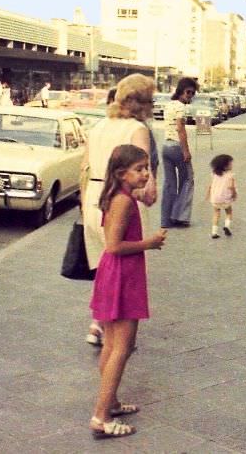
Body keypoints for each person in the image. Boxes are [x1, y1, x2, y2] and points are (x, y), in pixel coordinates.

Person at [88, 144, 166, 439]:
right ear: (122, 173)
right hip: (121, 274)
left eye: (147, 168)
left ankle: (111, 402)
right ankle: (101, 417)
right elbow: (114, 246)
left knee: (112, 345)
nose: (146, 173)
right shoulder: (122, 201)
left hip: (119, 274)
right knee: (122, 347)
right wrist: (150, 243)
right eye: (140, 169)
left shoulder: (121, 196)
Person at [81, 75, 158, 347]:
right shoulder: (137, 129)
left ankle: (97, 323)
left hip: (94, 196)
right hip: (122, 197)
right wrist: (148, 196)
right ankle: (115, 330)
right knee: (123, 264)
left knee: (105, 265)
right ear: (143, 102)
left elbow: (85, 167)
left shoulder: (99, 125)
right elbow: (141, 174)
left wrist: (84, 204)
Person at [160, 77, 197, 228]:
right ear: (181, 91)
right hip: (177, 147)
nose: (190, 96)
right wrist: (186, 151)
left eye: (193, 93)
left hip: (165, 146)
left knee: (169, 184)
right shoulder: (180, 107)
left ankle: (165, 220)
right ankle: (180, 216)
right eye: (188, 92)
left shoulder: (169, 105)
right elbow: (180, 129)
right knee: (188, 179)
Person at [206, 154, 237, 239]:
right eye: (230, 163)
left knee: (216, 214)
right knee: (229, 212)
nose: (232, 165)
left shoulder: (214, 174)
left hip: (215, 198)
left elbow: (210, 186)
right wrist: (234, 194)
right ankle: (227, 226)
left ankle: (214, 232)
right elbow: (231, 187)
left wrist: (208, 195)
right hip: (225, 198)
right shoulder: (230, 175)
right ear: (225, 166)